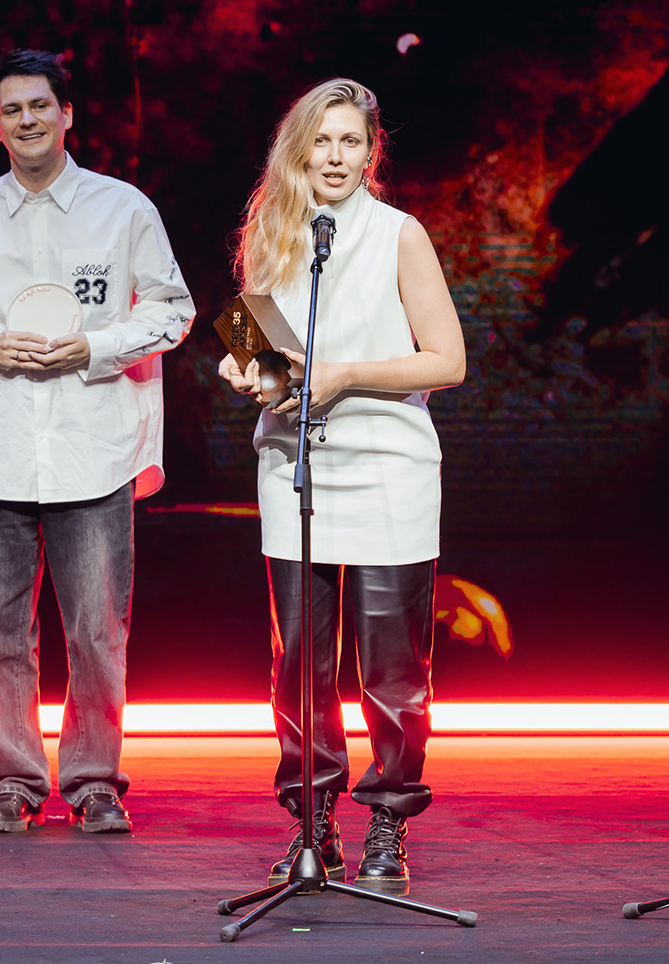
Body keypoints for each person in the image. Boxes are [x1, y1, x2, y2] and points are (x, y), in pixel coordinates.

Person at [0, 49, 194, 834]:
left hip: (92, 447)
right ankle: (13, 779)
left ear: (68, 115)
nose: (28, 119)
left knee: (97, 632)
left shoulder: (121, 209)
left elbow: (173, 310)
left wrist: (95, 346)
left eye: (41, 105)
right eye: (12, 109)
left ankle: (94, 780)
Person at [218, 78, 464, 892]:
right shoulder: (271, 232)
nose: (334, 156)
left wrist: (344, 374)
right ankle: (312, 822)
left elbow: (448, 361)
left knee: (393, 671)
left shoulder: (399, 234)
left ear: (370, 153)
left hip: (388, 467)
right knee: (300, 668)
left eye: (349, 141)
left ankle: (388, 819)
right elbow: (258, 346)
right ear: (299, 150)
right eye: (320, 141)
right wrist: (248, 373)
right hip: (295, 468)